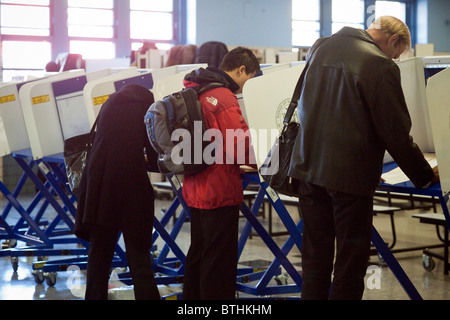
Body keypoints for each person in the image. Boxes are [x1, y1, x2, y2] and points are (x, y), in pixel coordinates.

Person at [288, 16, 440, 300]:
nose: (393, 60)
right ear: (393, 40)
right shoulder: (379, 64)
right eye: (396, 55)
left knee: (315, 261)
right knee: (350, 263)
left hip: (307, 170)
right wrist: (423, 174)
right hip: (349, 180)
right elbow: (395, 132)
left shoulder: (321, 47)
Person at [181, 47, 260, 300]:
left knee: (199, 254)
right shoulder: (223, 97)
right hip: (219, 187)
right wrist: (264, 159)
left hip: (195, 185)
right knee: (219, 261)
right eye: (250, 77)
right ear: (241, 70)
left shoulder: (194, 89)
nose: (247, 85)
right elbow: (239, 144)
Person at [75, 84, 160, 300]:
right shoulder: (148, 108)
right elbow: (153, 152)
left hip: (99, 182)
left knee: (100, 251)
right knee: (138, 253)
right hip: (130, 183)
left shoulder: (110, 103)